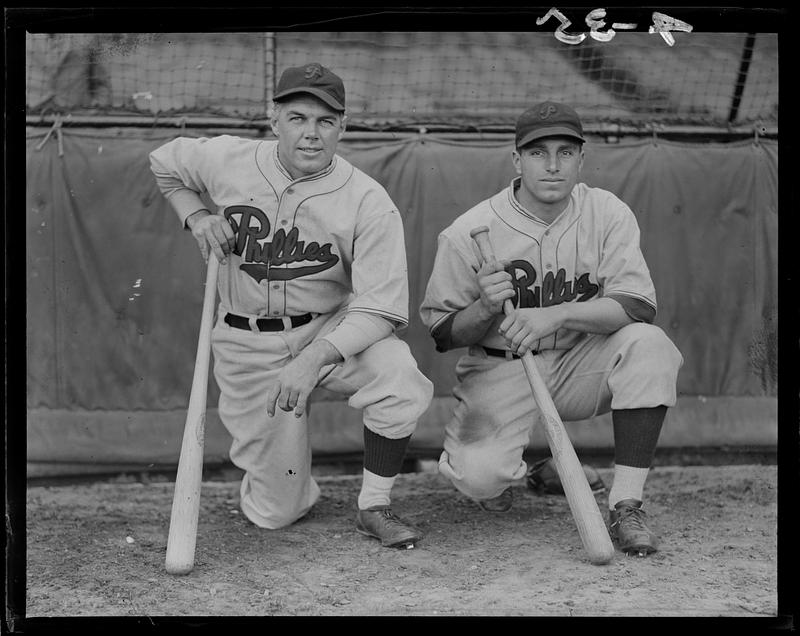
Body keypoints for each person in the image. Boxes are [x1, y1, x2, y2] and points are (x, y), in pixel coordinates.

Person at [150, 62, 433, 549]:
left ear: (343, 127)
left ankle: (374, 504)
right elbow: (164, 163)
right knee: (276, 512)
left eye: (325, 121)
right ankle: (285, 481)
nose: (311, 134)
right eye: (299, 118)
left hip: (327, 330)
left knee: (399, 374)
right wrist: (196, 215)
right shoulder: (226, 159)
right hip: (247, 341)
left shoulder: (367, 199)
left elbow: (382, 307)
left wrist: (313, 358)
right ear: (274, 118)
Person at [419, 101, 683, 556]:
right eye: (539, 152)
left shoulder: (606, 211)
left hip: (582, 362)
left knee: (650, 346)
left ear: (582, 158)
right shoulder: (469, 231)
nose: (554, 165)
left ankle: (626, 504)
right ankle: (540, 467)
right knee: (479, 479)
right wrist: (484, 306)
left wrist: (557, 314)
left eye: (565, 152)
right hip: (502, 370)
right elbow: (444, 334)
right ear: (517, 160)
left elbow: (638, 305)